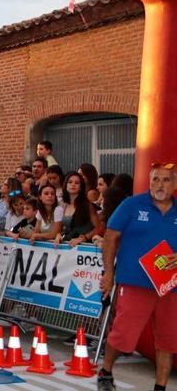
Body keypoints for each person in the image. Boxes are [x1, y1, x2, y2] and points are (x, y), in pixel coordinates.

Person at [98, 163, 177, 391]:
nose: (159, 185)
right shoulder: (132, 205)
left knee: (168, 340)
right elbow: (111, 237)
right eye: (155, 179)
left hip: (170, 286)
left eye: (165, 180)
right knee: (122, 333)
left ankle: (160, 387)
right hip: (135, 282)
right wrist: (109, 273)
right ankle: (106, 372)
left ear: (174, 184)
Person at [55, 172, 101, 248]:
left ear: (81, 187)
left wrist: (83, 238)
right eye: (70, 182)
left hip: (85, 247)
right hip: (69, 246)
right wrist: (59, 235)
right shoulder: (62, 205)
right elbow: (62, 229)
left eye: (77, 183)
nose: (73, 184)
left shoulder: (88, 206)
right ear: (65, 185)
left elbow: (99, 227)